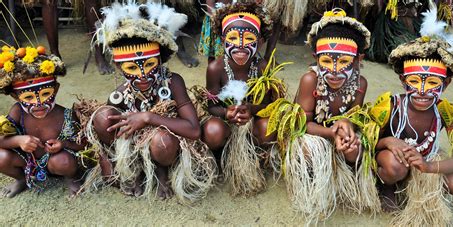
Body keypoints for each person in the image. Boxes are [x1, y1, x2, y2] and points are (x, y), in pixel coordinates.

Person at [83, 1, 216, 201]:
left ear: (160, 59)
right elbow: (103, 128)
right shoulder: (119, 95)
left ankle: (162, 172)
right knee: (103, 116)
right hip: (137, 148)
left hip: (165, 147)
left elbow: (194, 130)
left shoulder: (173, 82)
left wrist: (147, 117)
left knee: (161, 140)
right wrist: (106, 159)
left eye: (149, 64)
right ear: (120, 68)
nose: (143, 75)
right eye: (132, 68)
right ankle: (134, 169)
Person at [259, 8, 377, 222]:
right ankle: (311, 181)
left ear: (358, 59)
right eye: (326, 61)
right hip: (312, 134)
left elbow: (354, 118)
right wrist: (331, 133)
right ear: (316, 58)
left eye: (343, 62)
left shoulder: (360, 84)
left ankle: (339, 178)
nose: (333, 70)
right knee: (307, 149)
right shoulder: (310, 80)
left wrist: (346, 126)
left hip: (336, 138)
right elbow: (301, 124)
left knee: (356, 150)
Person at [372, 5, 453, 226]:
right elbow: (368, 142)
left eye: (433, 83)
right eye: (414, 82)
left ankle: (427, 192)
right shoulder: (390, 105)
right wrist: (390, 141)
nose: (423, 91)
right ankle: (387, 186)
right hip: (394, 162)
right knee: (394, 167)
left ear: (446, 84)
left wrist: (429, 167)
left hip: (425, 163)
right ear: (403, 81)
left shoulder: (446, 112)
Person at [199, 2, 283, 196]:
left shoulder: (263, 67)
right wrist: (226, 113)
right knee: (213, 130)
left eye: (249, 39)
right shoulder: (216, 68)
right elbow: (211, 106)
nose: (240, 45)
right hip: (225, 122)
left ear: (260, 41)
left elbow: (270, 105)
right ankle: (220, 156)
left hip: (252, 123)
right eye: (233, 38)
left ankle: (254, 155)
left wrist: (251, 110)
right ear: (222, 40)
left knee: (268, 127)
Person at [0, 45, 87, 197]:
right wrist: (18, 140)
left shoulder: (66, 114)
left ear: (56, 89)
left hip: (56, 162)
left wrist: (64, 144)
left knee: (64, 161)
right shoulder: (17, 111)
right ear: (15, 97)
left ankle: (70, 178)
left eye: (46, 94)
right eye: (28, 97)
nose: (38, 103)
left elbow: (85, 143)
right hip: (27, 161)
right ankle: (21, 180)